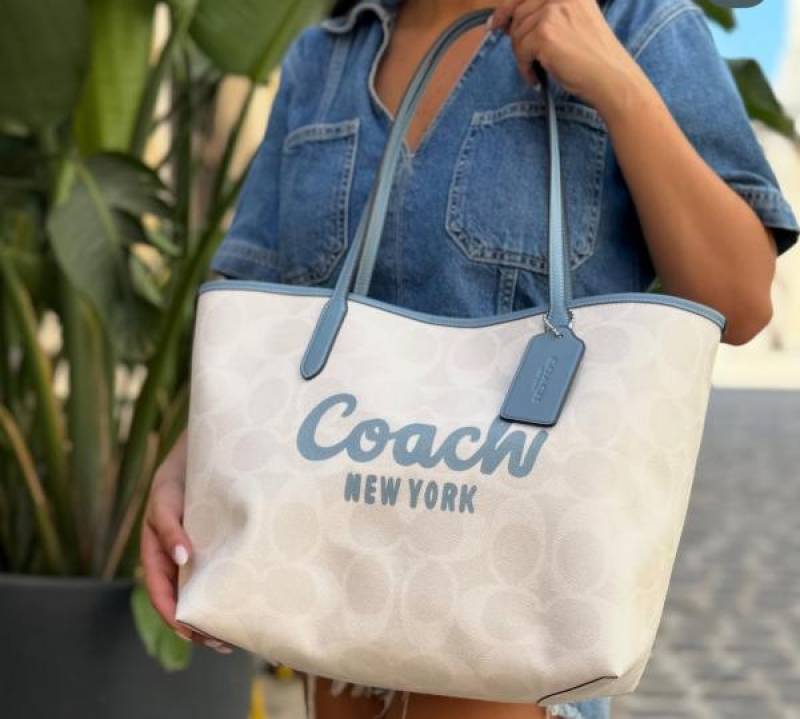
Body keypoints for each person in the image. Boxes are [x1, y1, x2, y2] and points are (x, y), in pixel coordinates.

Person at [140, 1, 799, 718]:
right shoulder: (323, 57)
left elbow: (740, 300)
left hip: (518, 629)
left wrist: (615, 81)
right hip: (334, 608)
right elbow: (263, 319)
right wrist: (185, 462)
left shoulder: (638, 23)